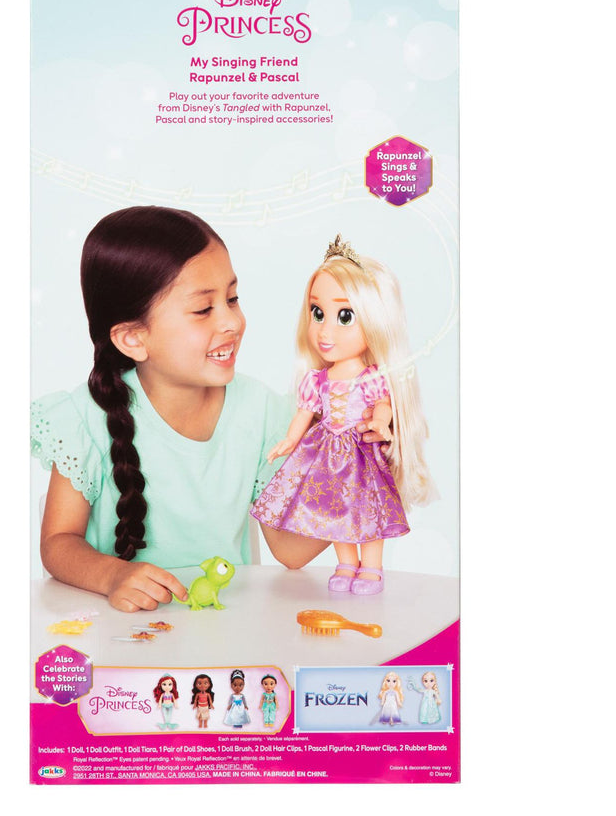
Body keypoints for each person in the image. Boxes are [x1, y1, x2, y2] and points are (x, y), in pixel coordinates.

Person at [33, 208, 377, 612]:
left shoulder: (262, 411)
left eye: (232, 299)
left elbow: (290, 550)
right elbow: (58, 543)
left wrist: (363, 467)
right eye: (203, 309)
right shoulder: (85, 418)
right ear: (133, 338)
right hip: (122, 631)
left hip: (224, 628)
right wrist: (111, 576)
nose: (233, 322)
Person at [251, 236, 435, 595]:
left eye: (344, 317)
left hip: (359, 455)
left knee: (367, 510)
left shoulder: (370, 378)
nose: (325, 330)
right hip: (325, 454)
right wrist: (289, 440)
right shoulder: (317, 379)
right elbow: (306, 411)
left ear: (376, 321)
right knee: (334, 510)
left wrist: (380, 422)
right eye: (317, 313)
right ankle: (347, 563)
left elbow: (382, 403)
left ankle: (372, 567)